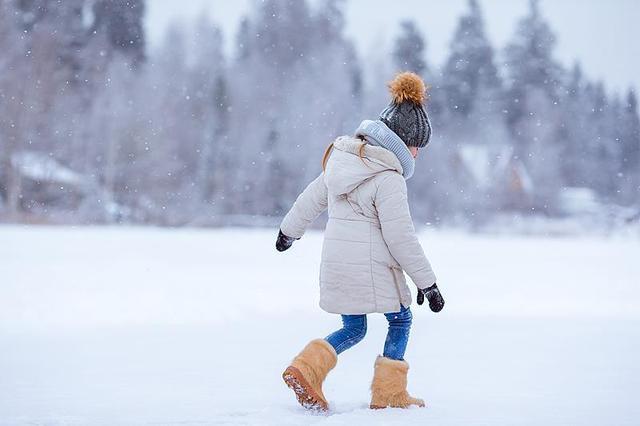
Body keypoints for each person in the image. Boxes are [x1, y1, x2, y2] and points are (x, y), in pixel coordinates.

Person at [275, 72, 445, 411]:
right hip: (371, 269)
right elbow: (401, 237)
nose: (417, 154)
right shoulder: (388, 179)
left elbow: (311, 198)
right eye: (416, 146)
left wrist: (288, 231)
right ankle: (389, 394)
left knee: (354, 327)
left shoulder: (341, 161)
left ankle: (306, 367)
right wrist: (428, 284)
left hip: (337, 264)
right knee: (400, 319)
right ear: (400, 143)